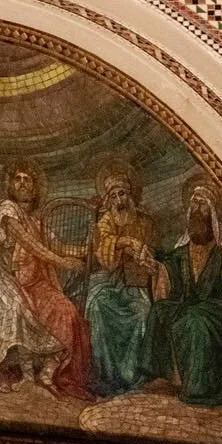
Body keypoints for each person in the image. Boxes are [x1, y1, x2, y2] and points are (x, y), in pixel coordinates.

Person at [142, 177, 222, 408]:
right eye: (193, 205)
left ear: (213, 213)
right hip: (192, 307)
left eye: (202, 205)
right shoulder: (183, 247)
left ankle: (199, 389)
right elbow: (171, 273)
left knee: (196, 319)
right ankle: (161, 376)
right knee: (160, 310)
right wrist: (156, 268)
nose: (196, 210)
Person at [0, 161, 91, 397]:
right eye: (17, 178)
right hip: (8, 280)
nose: (22, 183)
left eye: (27, 179)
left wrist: (89, 248)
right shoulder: (7, 209)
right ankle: (27, 376)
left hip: (36, 284)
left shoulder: (37, 222)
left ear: (35, 188)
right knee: (16, 308)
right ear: (11, 184)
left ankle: (47, 373)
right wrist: (62, 263)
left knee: (68, 311)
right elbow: (29, 245)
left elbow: (60, 247)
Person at [84, 162, 156, 397]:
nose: (118, 199)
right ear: (108, 200)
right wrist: (125, 243)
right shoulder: (104, 221)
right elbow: (103, 250)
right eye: (113, 196)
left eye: (122, 193)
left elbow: (154, 252)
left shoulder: (144, 221)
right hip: (108, 281)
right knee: (97, 307)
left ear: (130, 195)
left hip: (135, 284)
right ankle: (106, 376)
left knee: (143, 311)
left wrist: (146, 256)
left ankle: (134, 377)